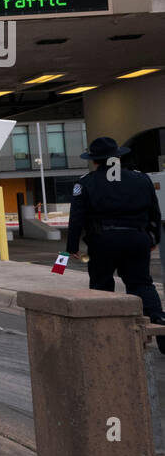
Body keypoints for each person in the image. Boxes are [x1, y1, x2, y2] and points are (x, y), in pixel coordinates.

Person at [66, 136, 165, 352]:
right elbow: (154, 212)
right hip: (137, 238)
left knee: (102, 285)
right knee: (141, 284)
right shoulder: (141, 179)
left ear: (94, 160)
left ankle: (106, 334)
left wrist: (71, 247)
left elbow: (77, 218)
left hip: (103, 241)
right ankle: (160, 325)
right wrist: (153, 238)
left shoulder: (85, 182)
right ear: (117, 157)